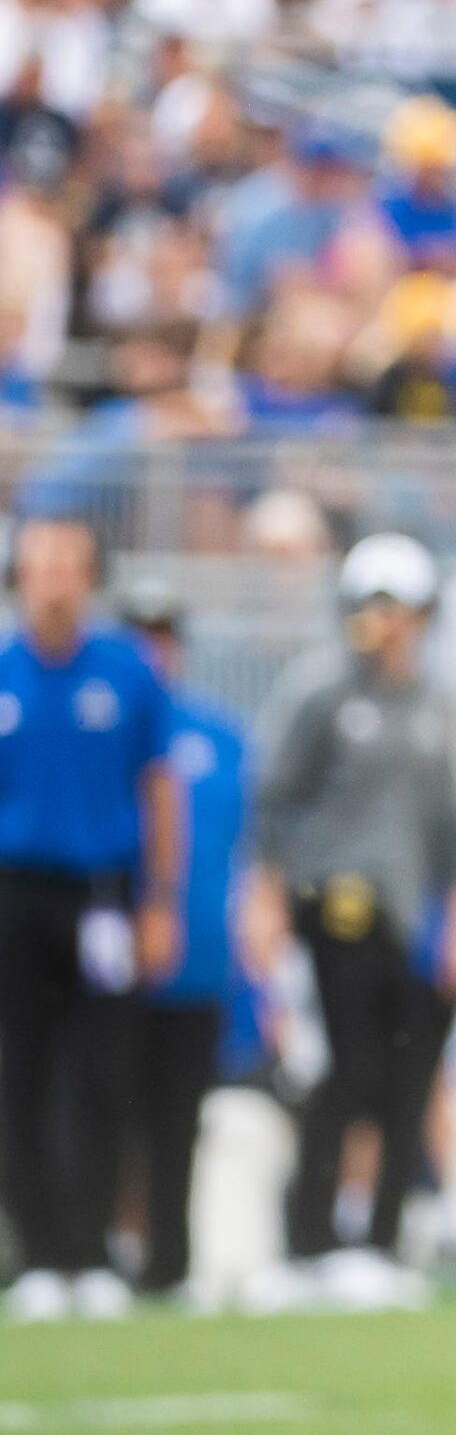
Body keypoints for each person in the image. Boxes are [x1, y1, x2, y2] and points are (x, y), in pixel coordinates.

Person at [251, 533, 456, 1281]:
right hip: (337, 900)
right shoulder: (322, 691)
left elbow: (448, 827)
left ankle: (380, 1240)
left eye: (403, 608)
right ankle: (310, 1242)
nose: (389, 624)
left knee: (406, 1079)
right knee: (348, 1067)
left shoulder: (436, 704)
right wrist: (267, 896)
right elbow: (274, 799)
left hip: (412, 917)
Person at [0, 518, 184, 1320]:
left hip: (101, 893)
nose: (54, 579)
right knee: (18, 1076)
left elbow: (160, 788)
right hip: (13, 893)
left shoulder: (127, 673)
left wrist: (160, 901)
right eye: (41, 565)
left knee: (99, 1076)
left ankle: (92, 1248)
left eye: (70, 564)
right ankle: (38, 1254)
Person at [122, 583, 253, 1297]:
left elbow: (253, 848)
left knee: (179, 1118)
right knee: (103, 1110)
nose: (153, 648)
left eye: (164, 634)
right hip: (110, 960)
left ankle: (169, 1261)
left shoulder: (221, 735)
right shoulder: (104, 724)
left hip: (201, 957)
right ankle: (94, 1252)